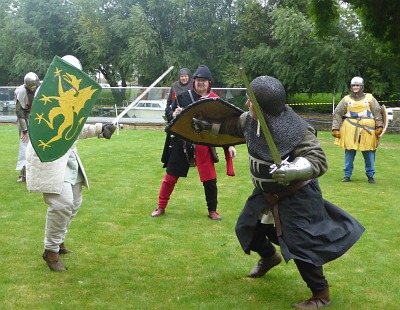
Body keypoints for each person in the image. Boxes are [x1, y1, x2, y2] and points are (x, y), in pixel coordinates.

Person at [193, 75, 365, 308]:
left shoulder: (298, 131)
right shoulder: (251, 120)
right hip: (264, 192)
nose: (247, 105)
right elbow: (231, 126)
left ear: (263, 107)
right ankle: (269, 256)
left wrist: (294, 168)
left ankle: (321, 294)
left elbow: (318, 161)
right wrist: (207, 127)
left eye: (251, 102)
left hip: (297, 194)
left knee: (300, 245)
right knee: (246, 227)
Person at [25, 55, 117, 271]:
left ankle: (58, 240)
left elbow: (74, 129)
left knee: (74, 203)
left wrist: (100, 130)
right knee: (62, 204)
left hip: (67, 155)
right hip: (47, 154)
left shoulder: (73, 96)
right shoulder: (46, 93)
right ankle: (50, 251)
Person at [151, 65, 236, 220]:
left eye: (203, 81)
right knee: (170, 177)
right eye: (198, 80)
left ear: (209, 83)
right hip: (182, 142)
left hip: (204, 144)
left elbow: (223, 127)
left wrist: (229, 145)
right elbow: (168, 113)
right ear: (194, 82)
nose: (200, 83)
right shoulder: (183, 97)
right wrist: (174, 113)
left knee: (210, 180)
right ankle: (161, 206)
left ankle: (212, 210)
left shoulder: (215, 101)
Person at [332, 76, 384, 184]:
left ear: (362, 86)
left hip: (368, 128)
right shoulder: (346, 99)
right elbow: (337, 113)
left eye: (357, 85)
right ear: (351, 87)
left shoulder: (369, 98)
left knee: (369, 152)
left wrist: (379, 126)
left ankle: (370, 176)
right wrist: (335, 128)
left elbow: (377, 112)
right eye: (354, 85)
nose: (355, 87)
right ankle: (347, 175)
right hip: (350, 127)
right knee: (349, 151)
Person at [15, 72, 40, 182]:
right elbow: (19, 112)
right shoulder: (21, 91)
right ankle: (23, 173)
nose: (33, 90)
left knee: (39, 144)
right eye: (31, 88)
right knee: (24, 144)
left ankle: (38, 172)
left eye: (35, 87)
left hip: (39, 117)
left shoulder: (42, 88)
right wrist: (25, 131)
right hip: (25, 116)